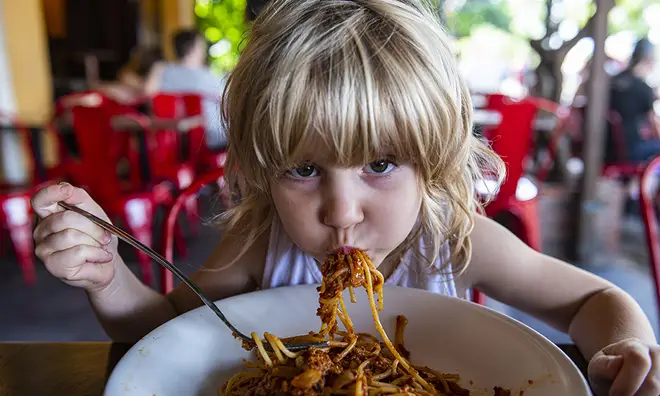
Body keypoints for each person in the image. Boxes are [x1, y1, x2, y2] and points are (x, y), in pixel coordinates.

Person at [31, 1, 658, 394]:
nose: (341, 210)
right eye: (303, 170)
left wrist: (623, 346)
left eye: (380, 164)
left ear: (432, 164)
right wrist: (107, 278)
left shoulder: (454, 241)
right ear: (261, 172)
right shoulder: (259, 242)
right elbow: (165, 333)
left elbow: (595, 298)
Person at [144, 29, 227, 150]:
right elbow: (229, 103)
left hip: (172, 142)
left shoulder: (162, 72)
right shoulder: (209, 77)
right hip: (211, 139)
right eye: (201, 46)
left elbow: (147, 94)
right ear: (192, 48)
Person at [609, 38, 660, 162]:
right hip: (631, 151)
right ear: (649, 60)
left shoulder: (613, 82)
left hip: (607, 150)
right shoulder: (643, 89)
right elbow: (655, 126)